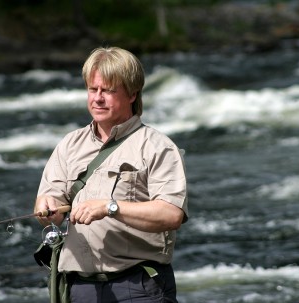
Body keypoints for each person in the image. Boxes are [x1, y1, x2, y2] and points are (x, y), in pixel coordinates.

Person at [34, 46, 188, 303]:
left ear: (132, 94)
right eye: (93, 90)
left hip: (138, 287)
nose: (98, 98)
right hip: (80, 288)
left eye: (108, 90)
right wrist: (46, 206)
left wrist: (110, 207)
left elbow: (172, 214)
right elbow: (50, 206)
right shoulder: (69, 144)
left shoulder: (157, 146)